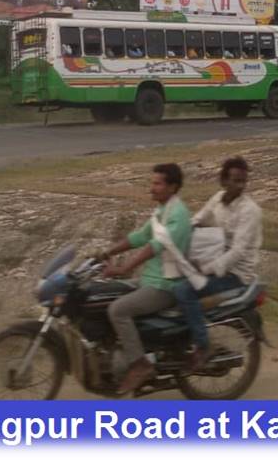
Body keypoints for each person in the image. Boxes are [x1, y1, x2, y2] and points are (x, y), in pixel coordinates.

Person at [98, 164, 193, 395]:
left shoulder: (178, 215)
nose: (152, 188)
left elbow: (154, 246)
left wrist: (124, 268)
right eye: (152, 183)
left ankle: (140, 366)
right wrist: (106, 253)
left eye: (157, 183)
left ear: (173, 187)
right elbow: (140, 237)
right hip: (149, 280)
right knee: (101, 296)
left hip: (166, 285)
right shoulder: (162, 211)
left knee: (118, 310)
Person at [173, 156, 262, 373]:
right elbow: (197, 220)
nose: (240, 186)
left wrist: (205, 269)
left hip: (235, 273)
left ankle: (203, 346)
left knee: (184, 291)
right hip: (215, 260)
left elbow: (237, 251)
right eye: (235, 181)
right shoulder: (218, 199)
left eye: (243, 181)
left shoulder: (250, 210)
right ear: (223, 182)